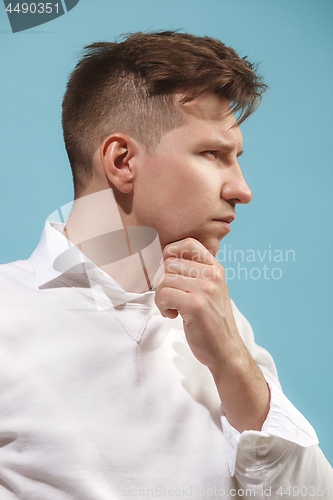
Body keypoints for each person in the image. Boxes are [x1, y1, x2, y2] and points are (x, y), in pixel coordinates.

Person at [0, 31, 332, 500]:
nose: (242, 189)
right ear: (122, 161)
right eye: (213, 154)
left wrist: (234, 363)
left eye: (236, 159)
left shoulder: (223, 326)